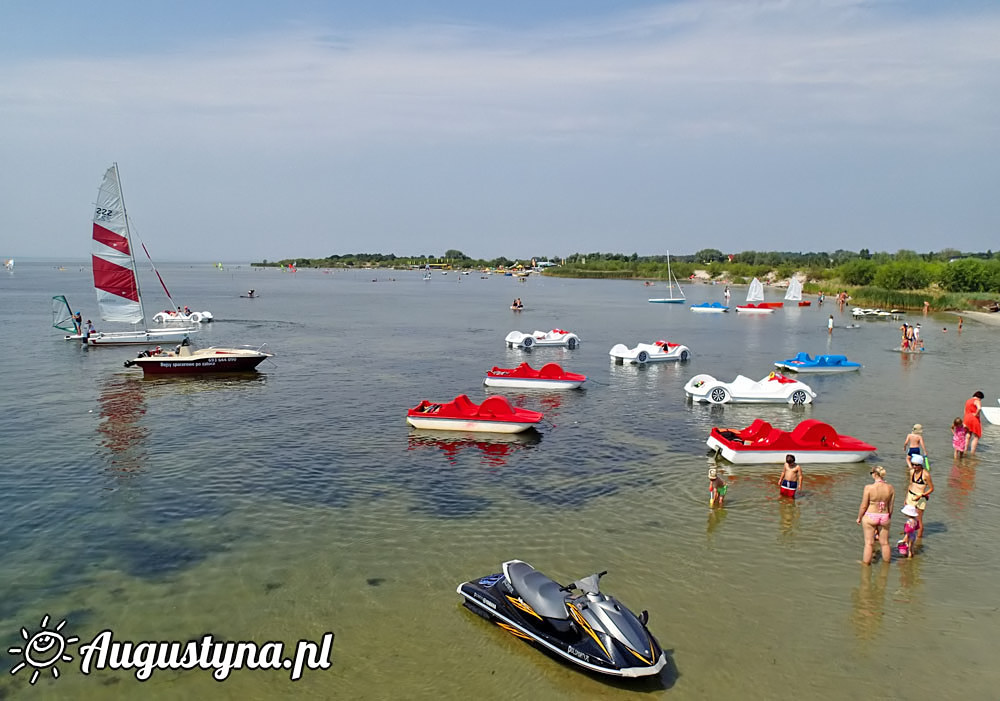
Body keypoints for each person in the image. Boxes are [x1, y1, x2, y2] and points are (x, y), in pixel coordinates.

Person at [857, 466, 895, 564]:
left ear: (874, 474)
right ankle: (886, 565)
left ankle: (866, 565)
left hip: (871, 516)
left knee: (869, 543)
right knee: (885, 543)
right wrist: (888, 517)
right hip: (884, 516)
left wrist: (859, 517)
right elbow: (891, 506)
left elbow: (864, 506)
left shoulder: (869, 488)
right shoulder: (890, 488)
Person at [905, 454, 934, 538]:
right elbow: (910, 484)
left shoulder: (926, 475)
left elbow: (931, 489)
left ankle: (919, 539)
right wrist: (906, 497)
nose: (914, 466)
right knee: (910, 518)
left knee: (918, 519)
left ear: (921, 464)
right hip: (911, 496)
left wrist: (922, 495)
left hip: (920, 497)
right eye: (913, 464)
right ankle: (909, 535)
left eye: (916, 465)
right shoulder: (912, 472)